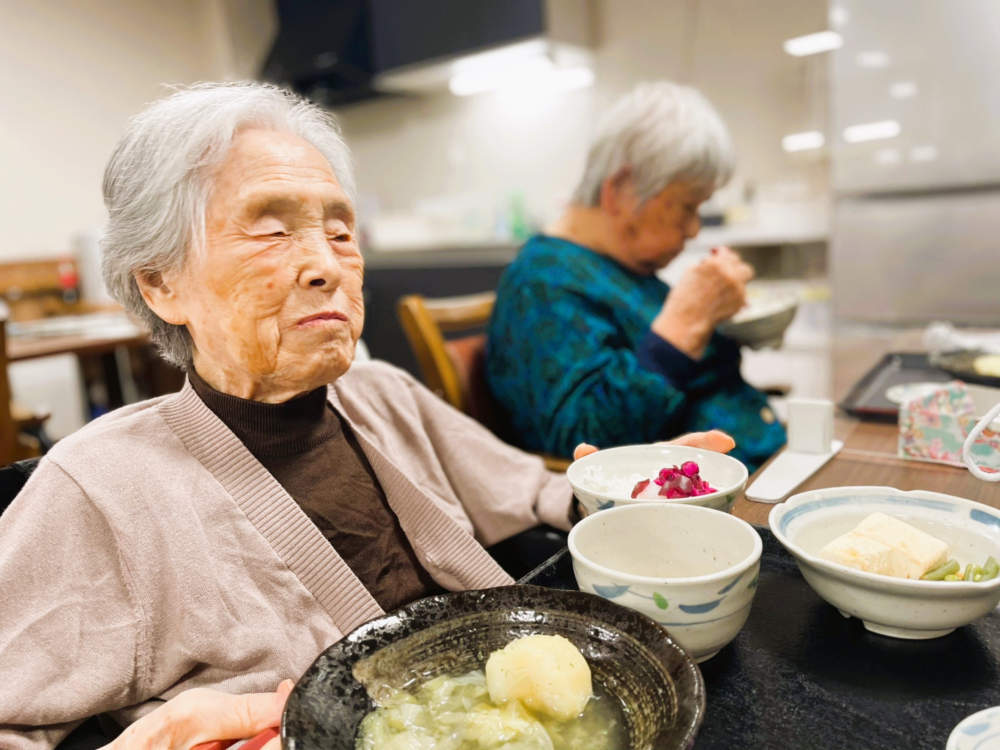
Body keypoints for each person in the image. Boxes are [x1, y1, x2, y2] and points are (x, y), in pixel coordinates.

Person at [0, 82, 734, 750]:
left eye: (341, 230)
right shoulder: (96, 489)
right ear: (162, 284)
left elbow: (536, 490)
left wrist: (642, 485)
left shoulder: (382, 392)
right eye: (271, 228)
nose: (326, 263)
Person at [486, 81, 787, 473]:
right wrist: (685, 323)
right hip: (704, 509)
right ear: (621, 190)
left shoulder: (625, 265)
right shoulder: (542, 284)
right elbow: (583, 444)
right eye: (688, 206)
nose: (694, 229)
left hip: (764, 466)